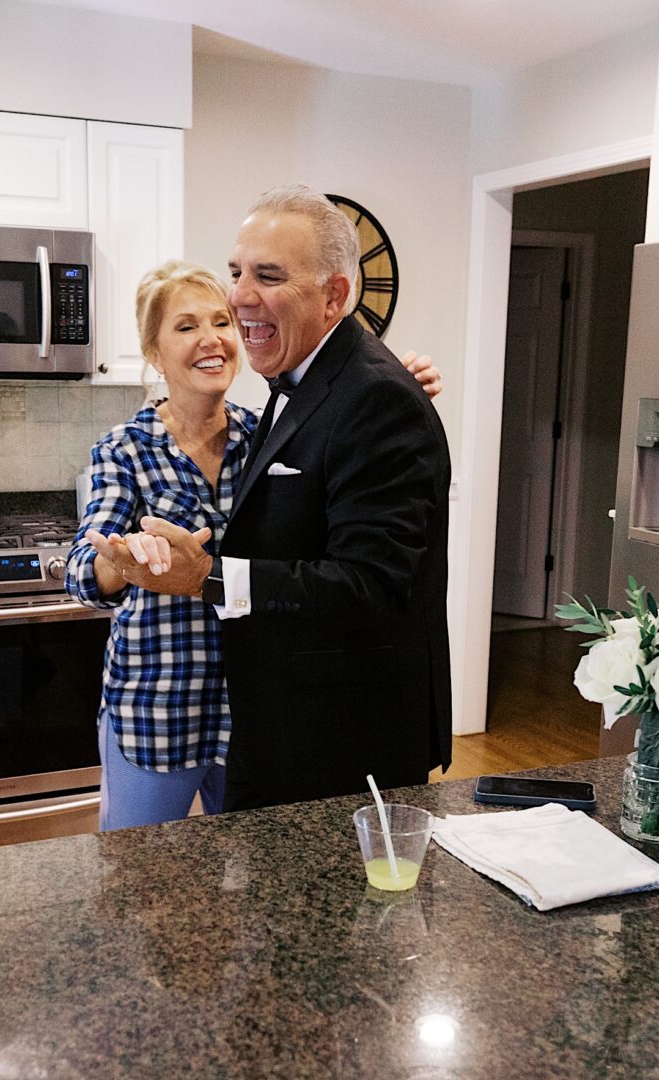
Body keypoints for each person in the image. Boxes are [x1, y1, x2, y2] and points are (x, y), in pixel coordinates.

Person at [104, 186, 452, 812]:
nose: (238, 297)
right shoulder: (302, 378)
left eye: (268, 276)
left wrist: (208, 578)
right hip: (268, 720)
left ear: (335, 297)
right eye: (237, 272)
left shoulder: (373, 396)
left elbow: (369, 583)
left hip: (341, 735)